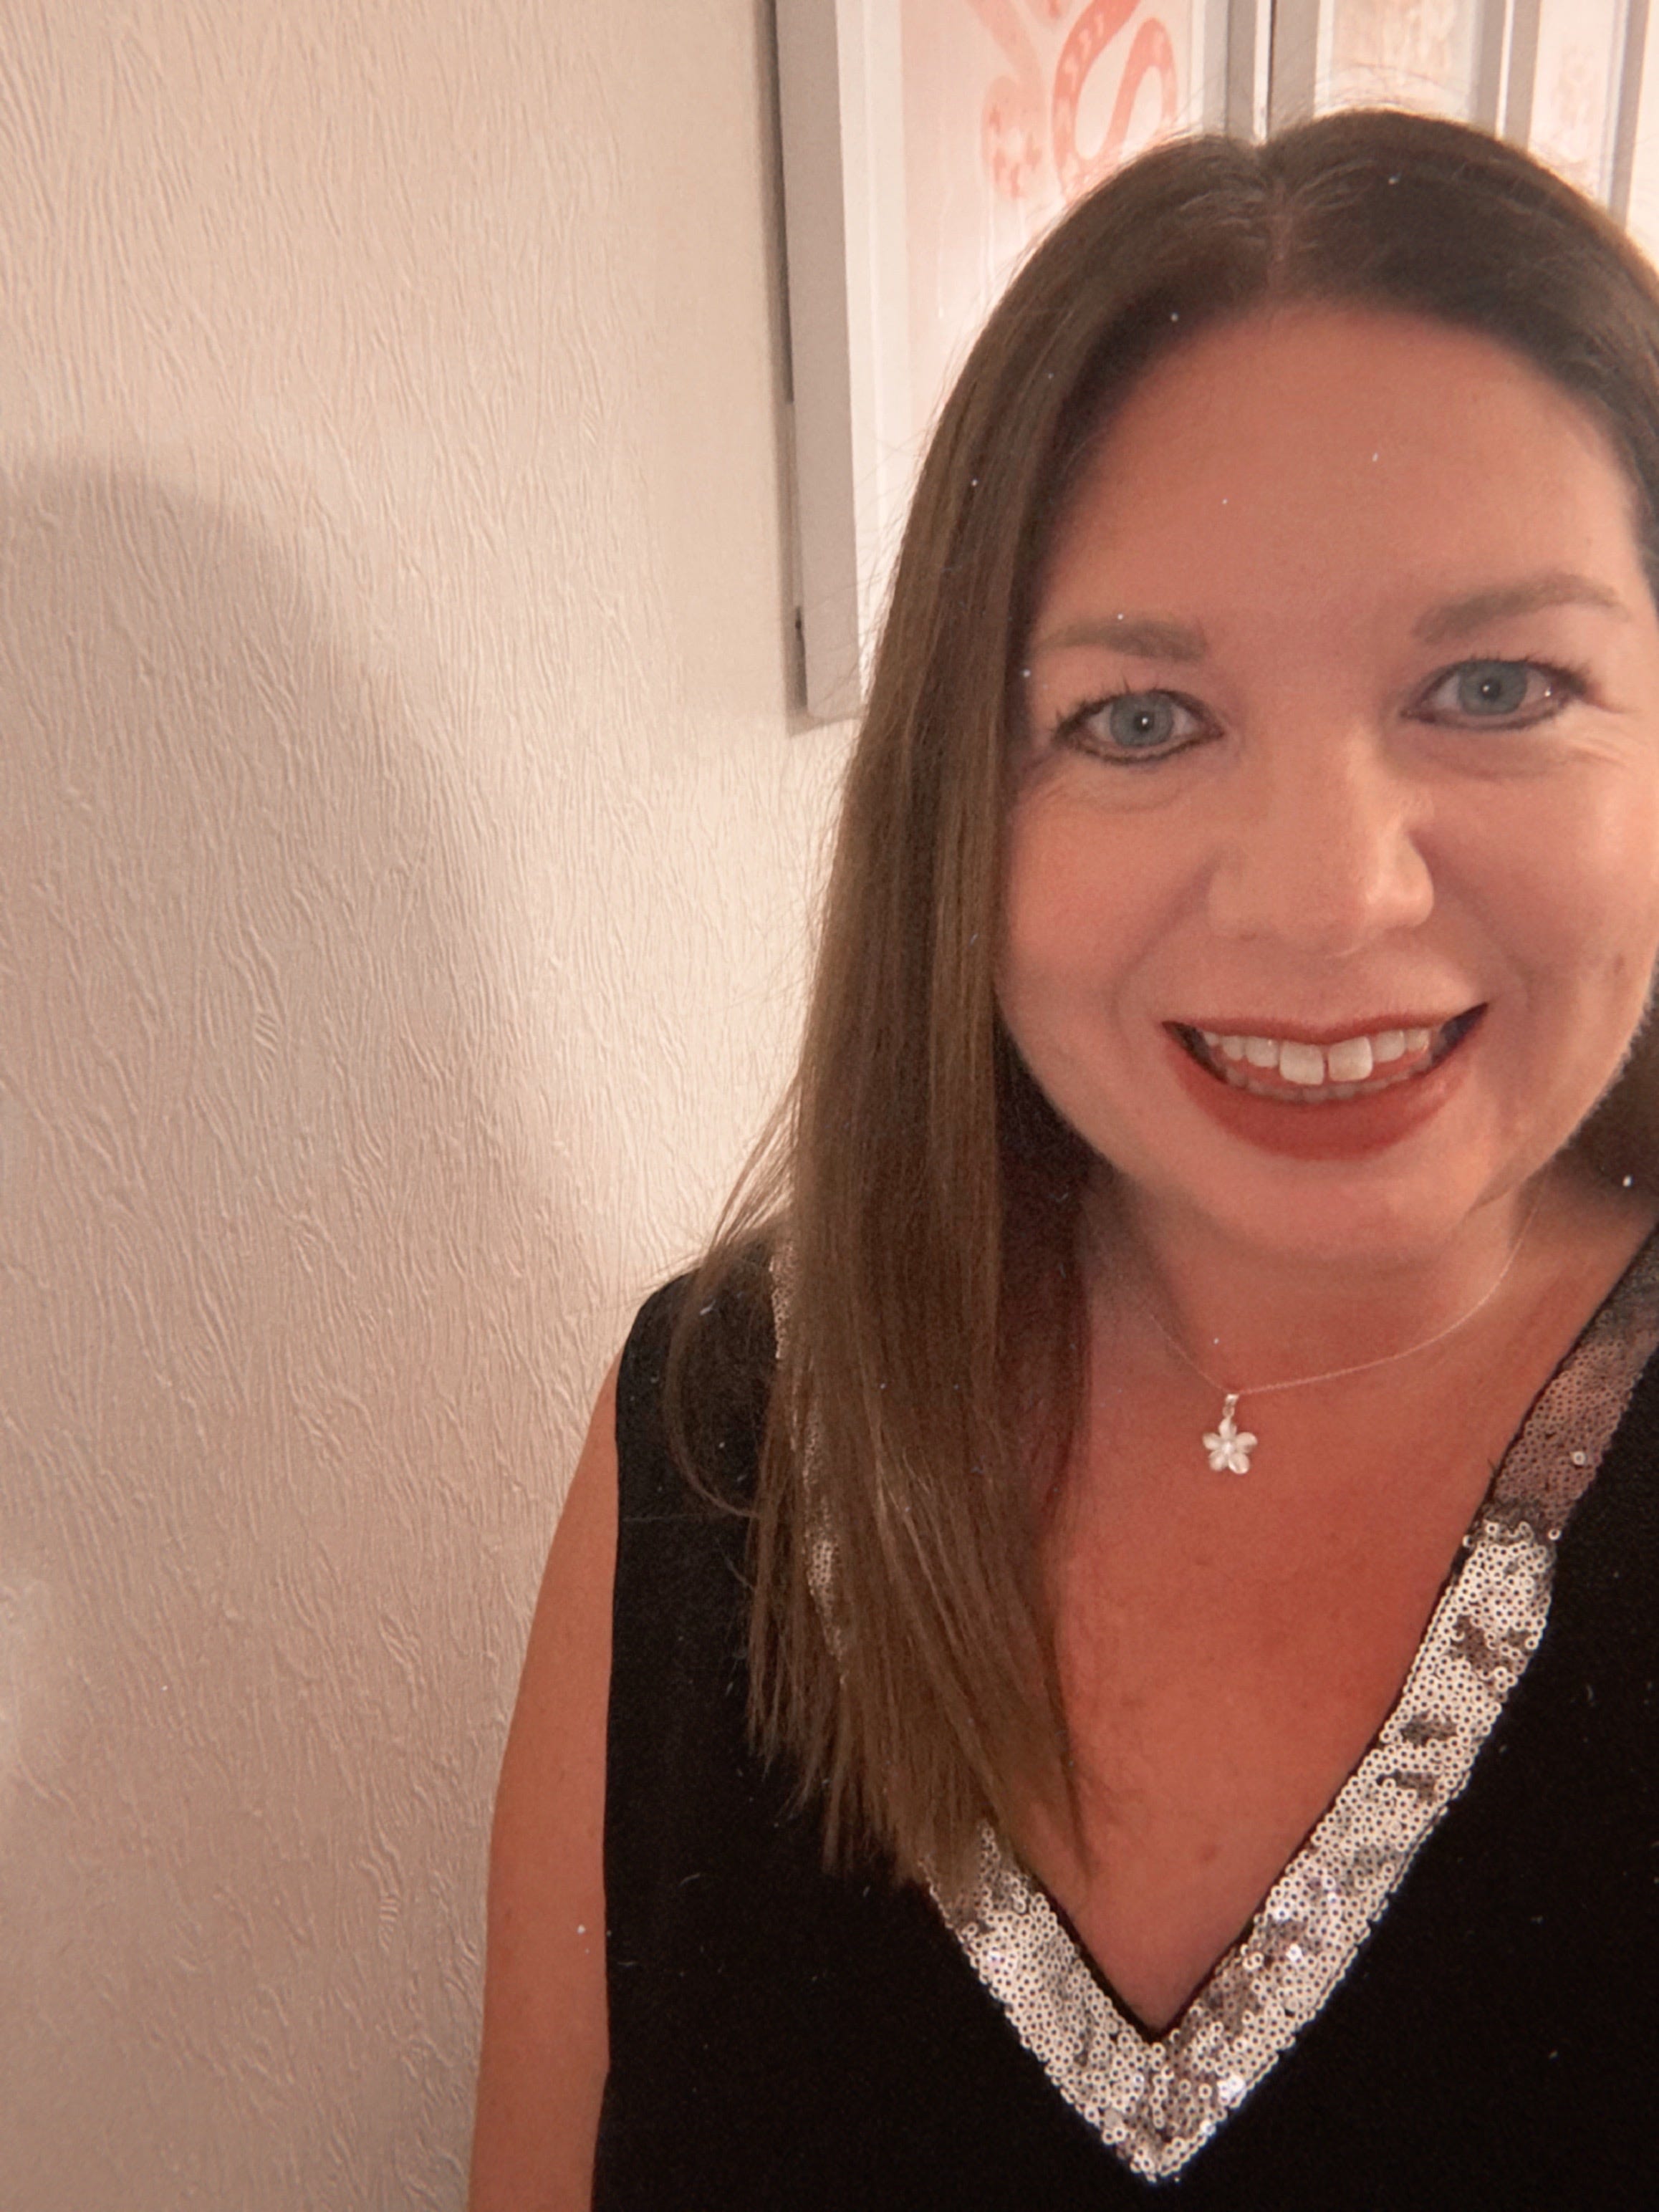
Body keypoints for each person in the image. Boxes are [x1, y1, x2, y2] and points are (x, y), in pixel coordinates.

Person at [468, 107, 1659, 2208]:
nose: (1325, 900)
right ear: (961, 804)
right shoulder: (724, 1429)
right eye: (1137, 719)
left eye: (1494, 685)